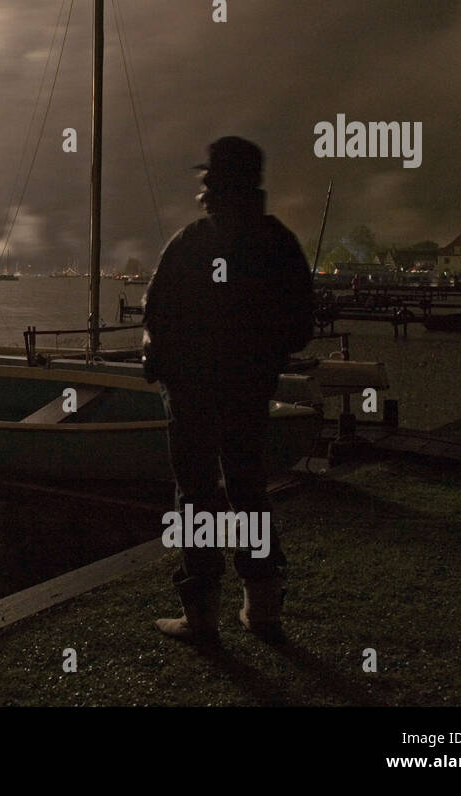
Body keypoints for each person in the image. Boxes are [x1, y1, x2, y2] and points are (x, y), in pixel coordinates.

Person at [142, 136, 314, 643]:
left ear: (220, 187)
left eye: (210, 184)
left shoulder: (190, 242)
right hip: (247, 393)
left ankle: (201, 614)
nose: (205, 194)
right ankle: (261, 608)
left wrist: (164, 360)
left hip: (191, 396)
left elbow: (154, 315)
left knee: (195, 499)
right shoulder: (279, 243)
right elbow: (300, 327)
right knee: (248, 493)